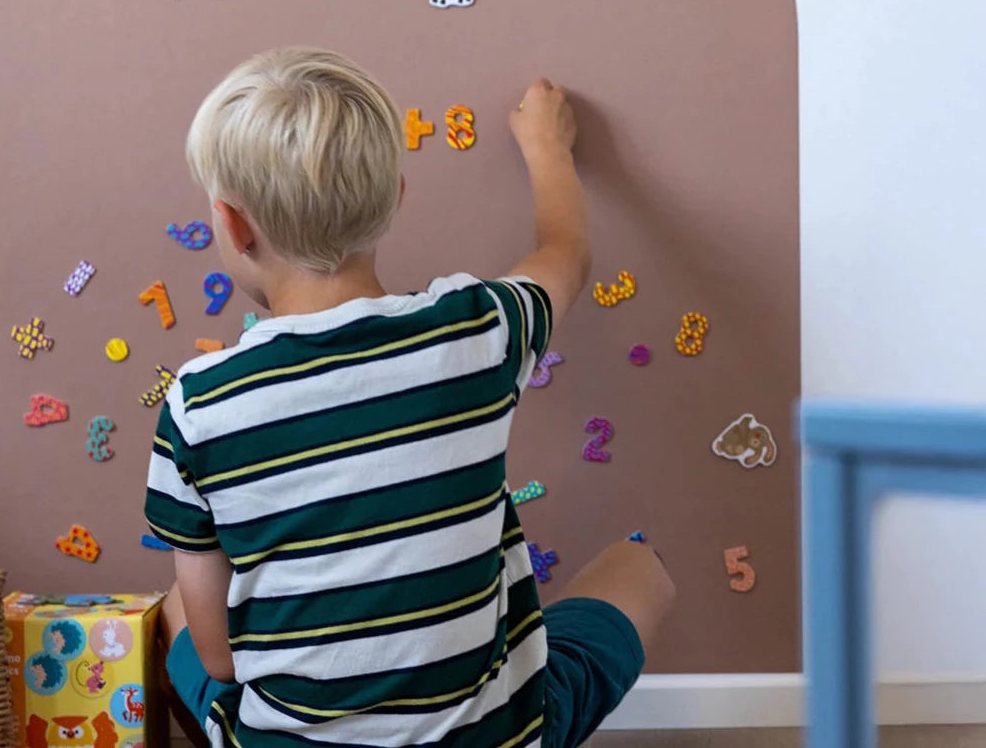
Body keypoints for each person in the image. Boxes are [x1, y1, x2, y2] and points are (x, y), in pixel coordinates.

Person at [145, 47, 675, 748]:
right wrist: (546, 146)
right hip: (497, 737)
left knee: (178, 606)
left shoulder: (199, 405)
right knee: (639, 569)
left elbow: (220, 659)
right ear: (395, 196)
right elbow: (564, 257)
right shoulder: (477, 330)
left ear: (234, 225)